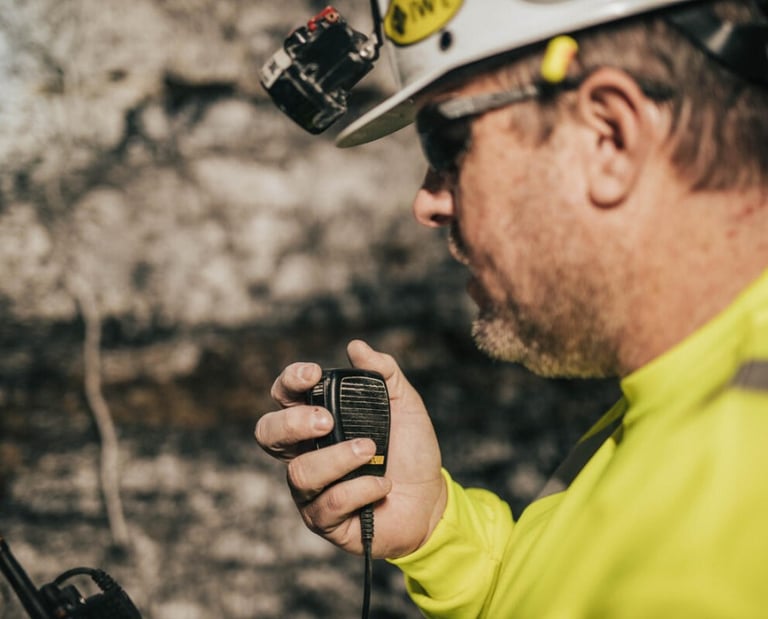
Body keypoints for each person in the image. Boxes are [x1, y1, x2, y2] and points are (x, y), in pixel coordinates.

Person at [255, 0, 768, 615]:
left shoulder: (736, 502)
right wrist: (437, 533)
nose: (426, 204)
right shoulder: (692, 388)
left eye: (445, 142)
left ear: (609, 137)